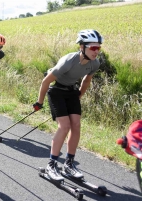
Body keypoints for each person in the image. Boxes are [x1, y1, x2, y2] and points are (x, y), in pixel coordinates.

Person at [33, 29, 103, 181]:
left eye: (99, 47)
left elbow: (86, 80)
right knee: (64, 126)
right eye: (93, 47)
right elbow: (46, 81)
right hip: (56, 90)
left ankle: (69, 164)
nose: (96, 51)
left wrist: (78, 95)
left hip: (72, 92)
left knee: (76, 124)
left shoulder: (95, 63)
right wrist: (39, 102)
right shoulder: (68, 61)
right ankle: (52, 164)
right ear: (82, 47)